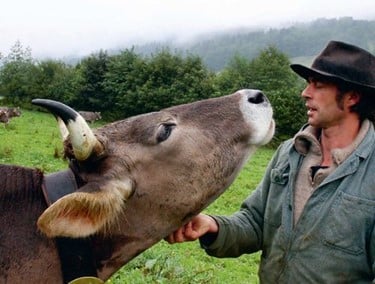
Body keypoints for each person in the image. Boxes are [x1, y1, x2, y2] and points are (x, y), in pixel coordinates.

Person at [166, 40, 375, 283]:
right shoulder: (289, 152)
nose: (305, 93)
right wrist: (212, 226)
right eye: (308, 84)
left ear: (352, 97)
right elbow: (256, 224)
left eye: (318, 85)